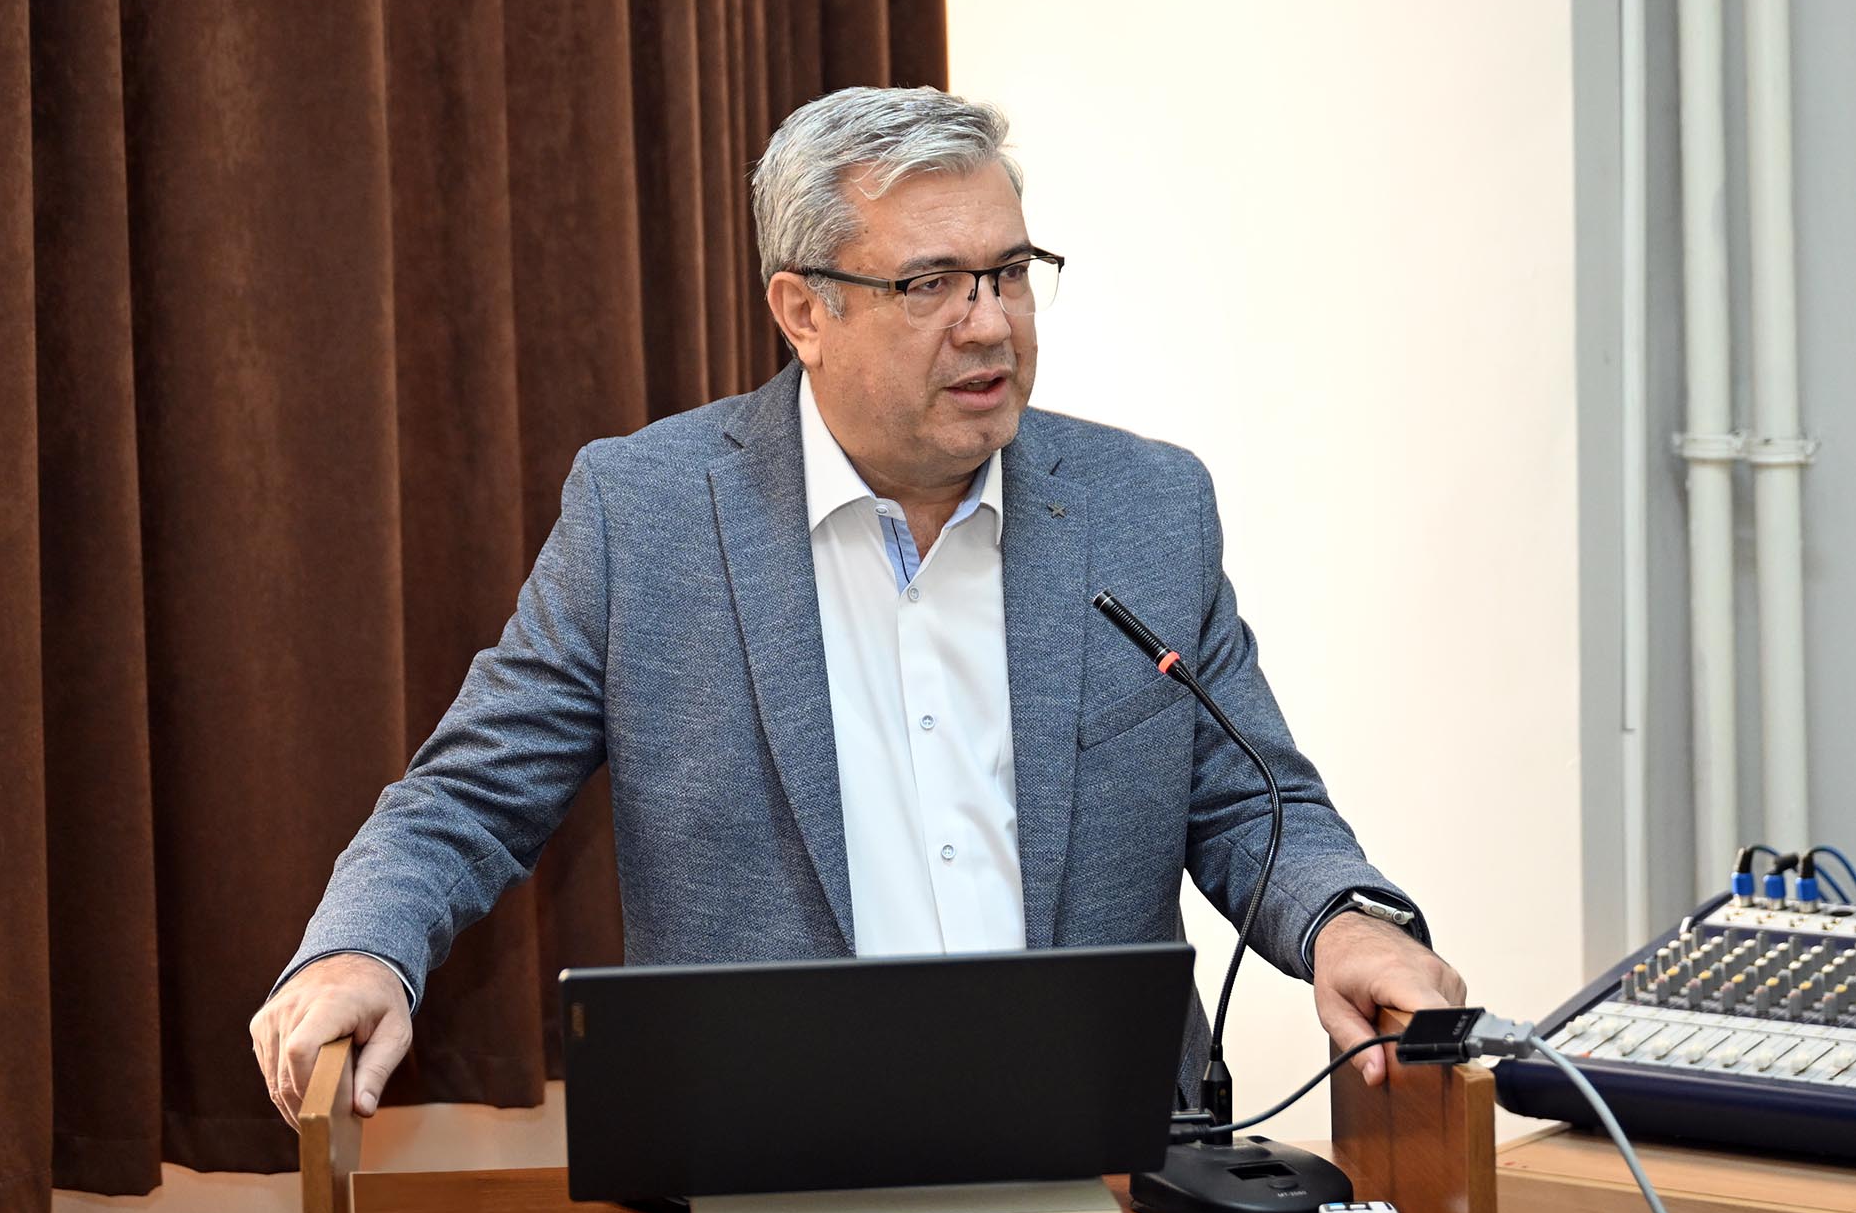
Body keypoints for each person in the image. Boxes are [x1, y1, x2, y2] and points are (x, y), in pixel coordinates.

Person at [251, 86, 1465, 1129]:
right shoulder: (649, 514)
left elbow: (1252, 801)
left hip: (1103, 1140)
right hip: (773, 1143)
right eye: (930, 283)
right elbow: (470, 795)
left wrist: (1347, 922)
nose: (989, 323)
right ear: (803, 311)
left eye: (1008, 273)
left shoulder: (1146, 506)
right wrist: (363, 950)